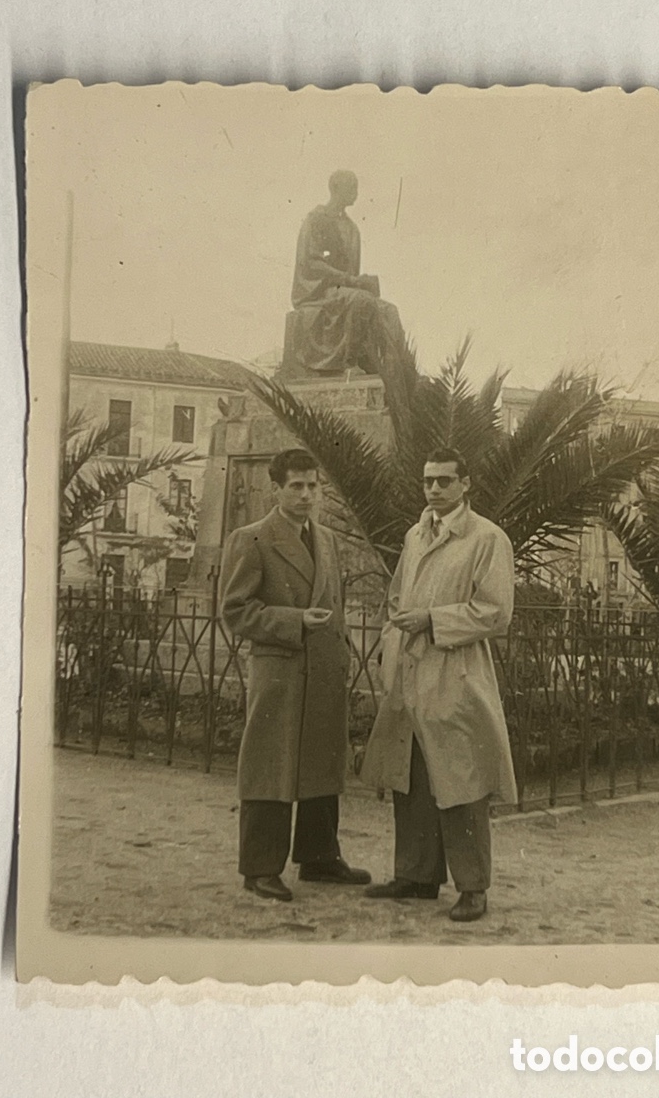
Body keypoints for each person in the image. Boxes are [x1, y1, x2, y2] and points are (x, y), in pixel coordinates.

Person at [360, 448, 517, 922]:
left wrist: (432, 619)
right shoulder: (416, 534)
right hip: (411, 669)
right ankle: (416, 875)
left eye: (445, 481)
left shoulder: (487, 538)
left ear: (465, 484)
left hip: (456, 671)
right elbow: (397, 596)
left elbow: (495, 612)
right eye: (428, 480)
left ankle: (473, 887)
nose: (434, 489)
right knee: (410, 774)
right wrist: (396, 633)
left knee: (461, 779)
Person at [220, 448, 371, 901]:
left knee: (322, 763)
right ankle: (260, 868)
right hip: (281, 670)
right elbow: (235, 611)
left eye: (313, 486)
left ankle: (319, 858)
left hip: (323, 669)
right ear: (276, 489)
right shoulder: (252, 539)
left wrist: (343, 652)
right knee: (272, 764)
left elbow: (336, 603)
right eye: (296, 486)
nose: (306, 495)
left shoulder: (326, 539)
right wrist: (294, 621)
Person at [288, 170, 406, 389]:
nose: (356, 192)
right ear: (335, 188)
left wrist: (360, 281)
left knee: (389, 310)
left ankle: (394, 370)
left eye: (356, 187)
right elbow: (311, 263)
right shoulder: (316, 220)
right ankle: (349, 363)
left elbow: (351, 273)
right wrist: (349, 280)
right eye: (351, 187)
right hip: (318, 290)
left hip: (344, 290)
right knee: (361, 300)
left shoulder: (351, 228)